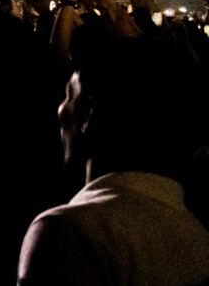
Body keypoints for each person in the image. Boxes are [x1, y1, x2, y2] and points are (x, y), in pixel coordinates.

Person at [18, 38, 209, 285]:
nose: (59, 109)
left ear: (88, 113)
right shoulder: (198, 236)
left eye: (68, 95)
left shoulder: (68, 233)